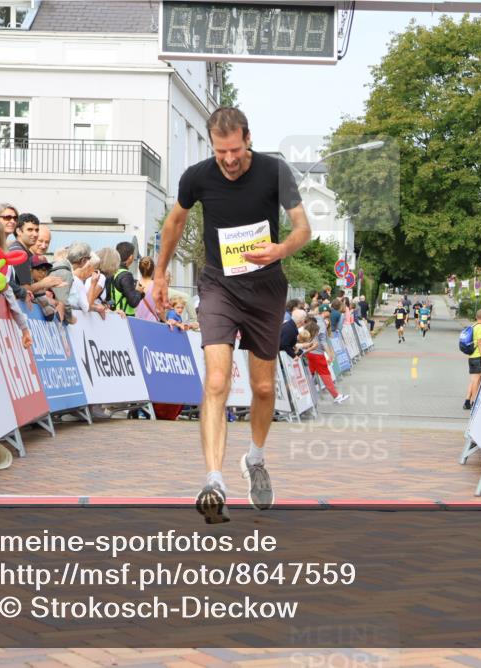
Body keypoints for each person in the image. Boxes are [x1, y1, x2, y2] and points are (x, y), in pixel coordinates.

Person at [152, 106, 311, 523]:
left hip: (265, 287)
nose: (229, 159)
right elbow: (175, 222)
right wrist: (161, 273)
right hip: (218, 285)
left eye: (236, 150)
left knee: (262, 388)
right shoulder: (197, 176)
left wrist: (280, 249)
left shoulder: (275, 172)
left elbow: (302, 229)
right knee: (218, 378)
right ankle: (213, 479)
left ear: (249, 139)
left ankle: (255, 459)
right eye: (221, 151)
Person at [302, 317, 349, 404]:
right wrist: (330, 355)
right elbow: (323, 342)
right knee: (326, 376)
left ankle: (304, 397)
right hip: (317, 356)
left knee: (309, 375)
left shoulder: (306, 331)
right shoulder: (316, 331)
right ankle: (336, 396)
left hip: (311, 354)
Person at [107, 241, 145, 316]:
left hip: (112, 314)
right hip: (125, 317)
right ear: (131, 257)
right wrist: (138, 292)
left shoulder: (112, 271)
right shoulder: (126, 275)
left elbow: (108, 297)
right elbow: (133, 302)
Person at [464, 309, 481, 410]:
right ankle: (474, 402)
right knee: (476, 380)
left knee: (473, 380)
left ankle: (467, 401)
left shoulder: (473, 326)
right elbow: (479, 343)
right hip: (477, 356)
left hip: (471, 356)